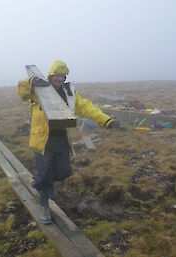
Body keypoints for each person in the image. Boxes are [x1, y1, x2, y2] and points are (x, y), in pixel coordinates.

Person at [17, 60, 120, 224]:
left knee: (64, 171)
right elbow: (22, 92)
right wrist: (30, 82)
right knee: (44, 174)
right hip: (42, 140)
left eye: (62, 76)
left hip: (61, 139)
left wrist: (106, 120)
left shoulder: (69, 92)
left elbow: (86, 107)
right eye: (56, 75)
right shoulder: (38, 89)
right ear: (50, 76)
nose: (59, 79)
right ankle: (44, 205)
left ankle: (48, 183)